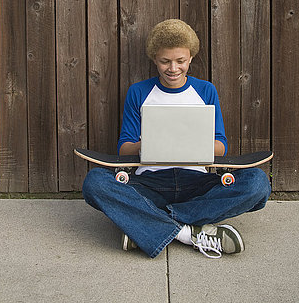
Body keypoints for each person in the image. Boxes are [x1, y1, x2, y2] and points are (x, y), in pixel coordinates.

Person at [82, 19, 271, 259]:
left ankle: (146, 224)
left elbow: (221, 146)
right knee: (95, 182)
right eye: (165, 61)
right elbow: (125, 148)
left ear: (190, 58)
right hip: (149, 184)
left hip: (197, 183)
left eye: (180, 61)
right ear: (154, 59)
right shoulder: (138, 92)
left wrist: (191, 142)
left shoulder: (205, 90)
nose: (173, 68)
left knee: (257, 183)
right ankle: (187, 232)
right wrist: (152, 142)